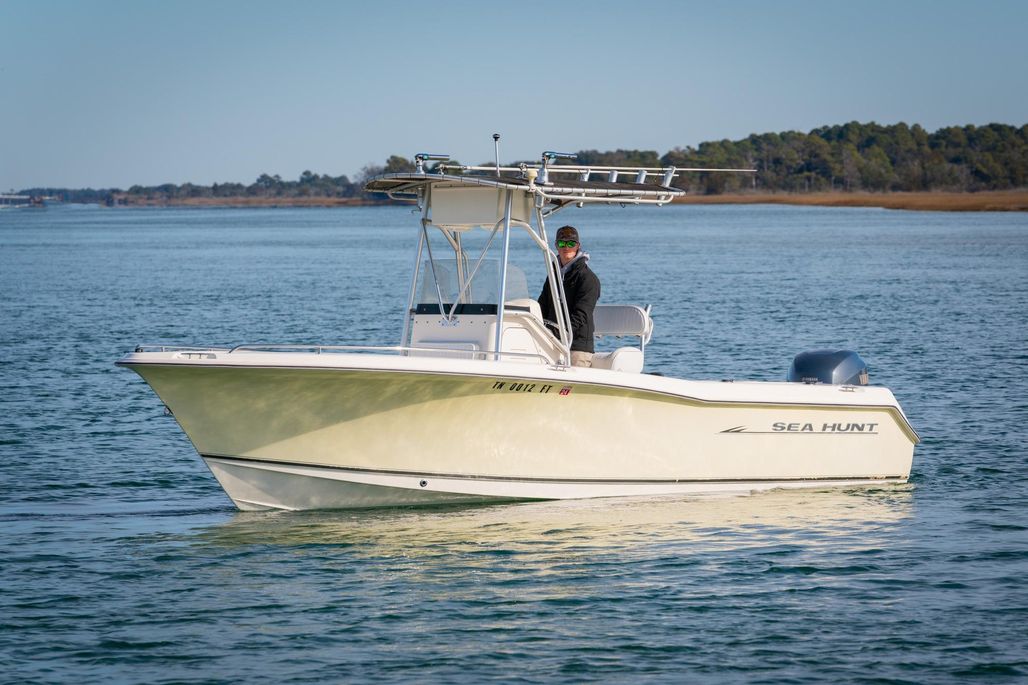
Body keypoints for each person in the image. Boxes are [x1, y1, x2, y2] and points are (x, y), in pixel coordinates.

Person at [537, 225, 601, 367]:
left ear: (578, 246)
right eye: (561, 243)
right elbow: (542, 307)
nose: (566, 247)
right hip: (551, 344)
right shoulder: (553, 275)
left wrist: (557, 333)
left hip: (577, 347)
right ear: (556, 246)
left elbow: (581, 315)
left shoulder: (588, 279)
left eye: (571, 244)